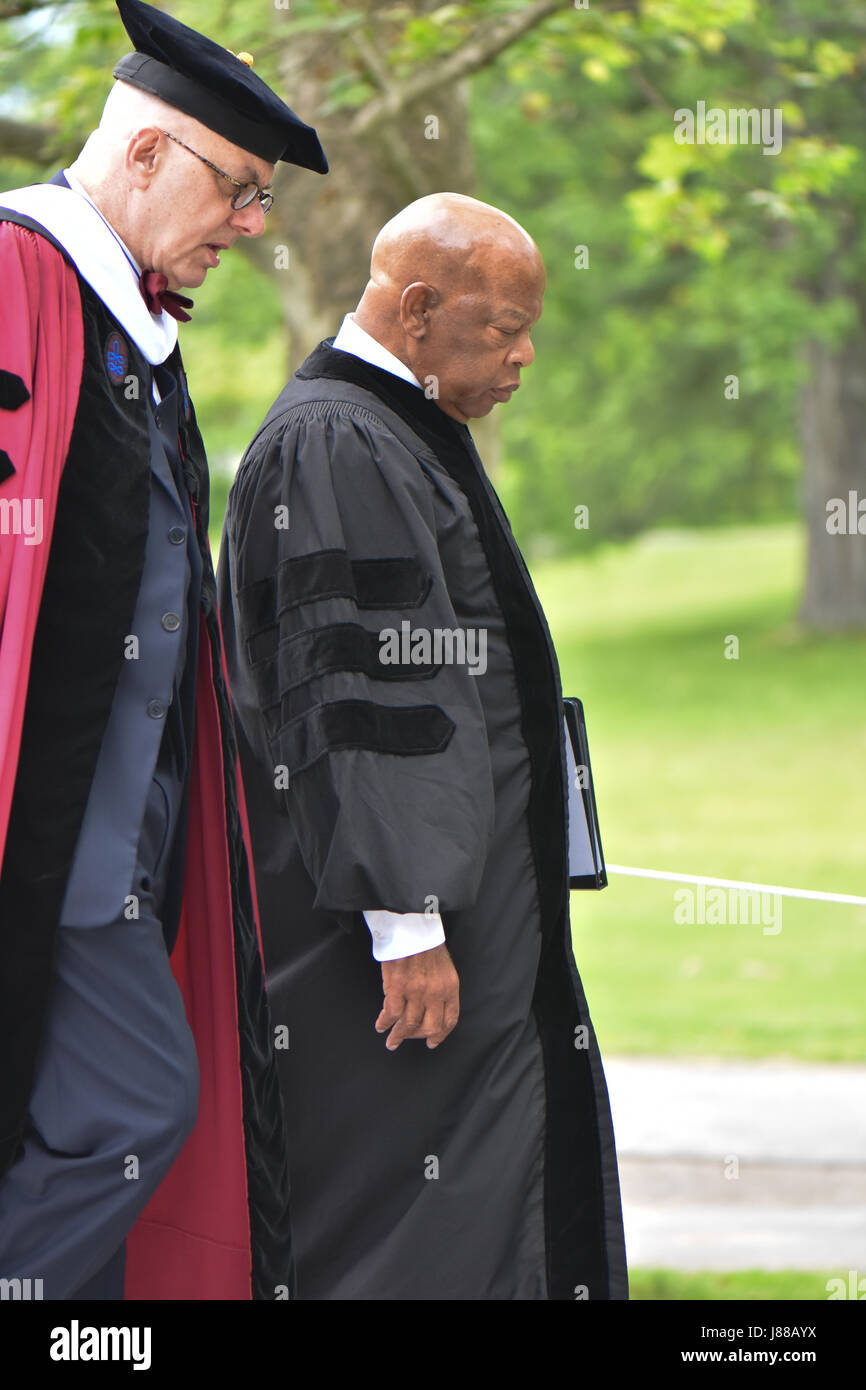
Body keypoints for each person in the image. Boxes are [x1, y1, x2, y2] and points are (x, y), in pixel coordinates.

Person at [217, 192, 628, 1300]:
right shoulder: (336, 444)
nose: (523, 353)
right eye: (500, 327)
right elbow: (361, 694)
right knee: (418, 1214)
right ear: (413, 307)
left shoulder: (397, 432)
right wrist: (406, 922)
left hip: (466, 914)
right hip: (400, 945)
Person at [0, 0, 327, 1300]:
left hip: (123, 834)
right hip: (50, 834)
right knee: (134, 1110)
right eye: (236, 189)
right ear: (142, 156)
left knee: (81, 1123)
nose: (249, 227)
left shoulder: (136, 336)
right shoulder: (20, 278)